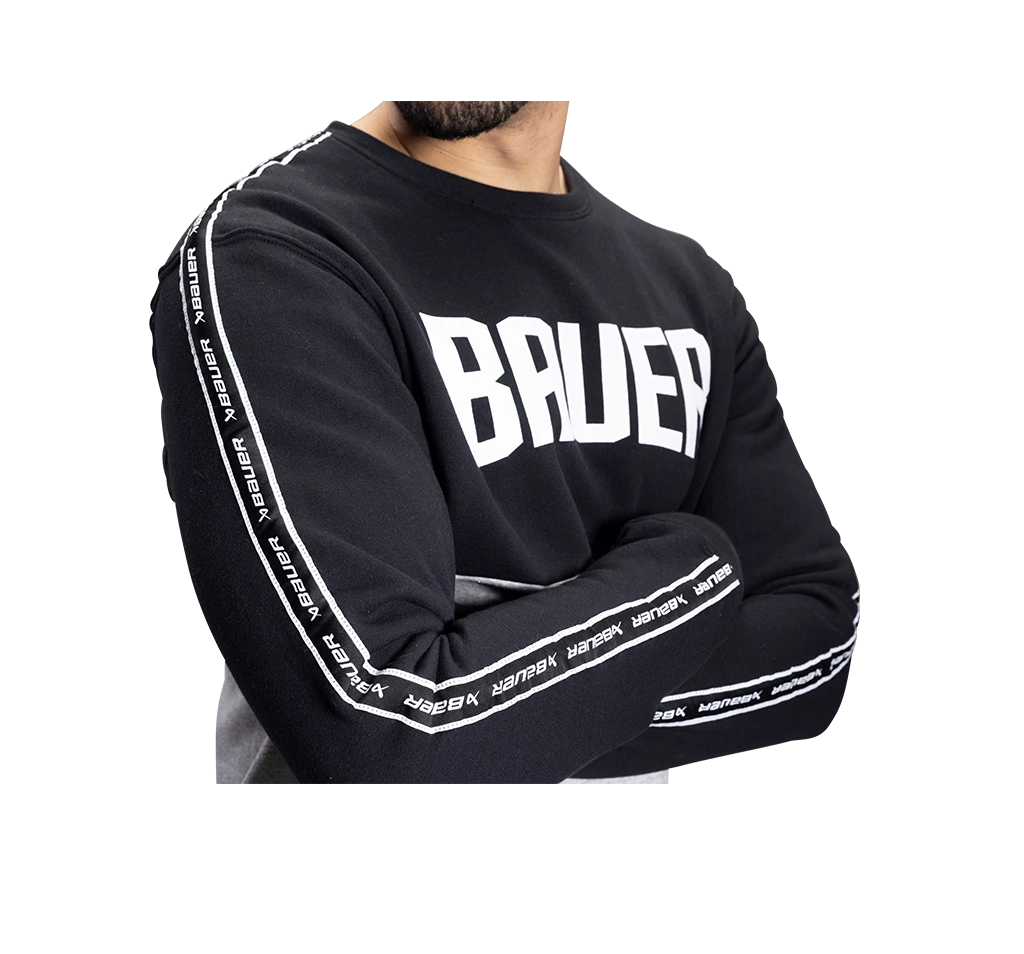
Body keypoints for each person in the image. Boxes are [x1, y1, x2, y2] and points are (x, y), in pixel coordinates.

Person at [151, 99, 859, 786]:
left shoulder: (689, 289)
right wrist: (698, 569)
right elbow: (389, 739)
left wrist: (506, 715)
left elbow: (820, 640)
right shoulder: (278, 250)